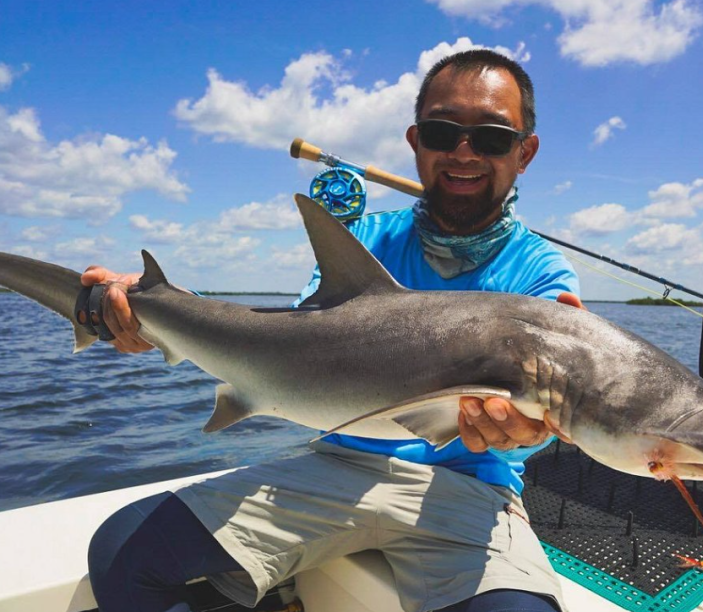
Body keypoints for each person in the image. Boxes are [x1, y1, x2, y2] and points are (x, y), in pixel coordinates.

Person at [85, 49, 583, 612]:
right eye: (444, 133)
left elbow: (555, 393)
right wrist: (154, 312)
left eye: (491, 138)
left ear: (526, 152)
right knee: (122, 552)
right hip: (337, 464)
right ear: (415, 141)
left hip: (469, 486)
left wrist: (531, 425)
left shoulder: (541, 275)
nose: (463, 152)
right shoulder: (363, 241)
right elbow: (289, 337)